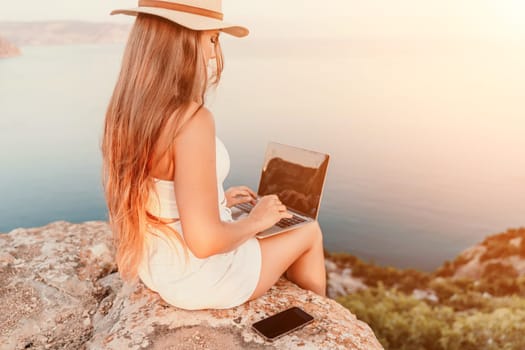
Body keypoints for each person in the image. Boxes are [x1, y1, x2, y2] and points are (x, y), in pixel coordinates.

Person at [101, 0, 326, 310]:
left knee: (252, 216)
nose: (212, 54)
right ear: (184, 41)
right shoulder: (192, 120)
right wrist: (256, 221)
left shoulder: (126, 112)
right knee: (309, 231)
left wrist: (218, 201)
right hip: (201, 279)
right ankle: (318, 318)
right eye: (212, 39)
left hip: (159, 267)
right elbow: (205, 242)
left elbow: (162, 192)